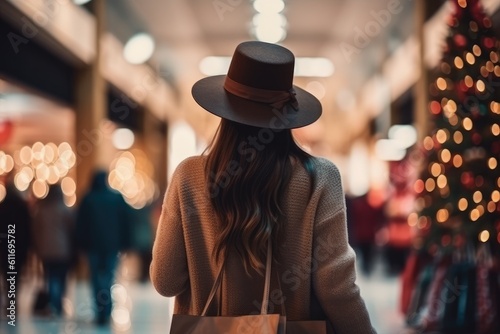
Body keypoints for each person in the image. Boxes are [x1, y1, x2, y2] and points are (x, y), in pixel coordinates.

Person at [150, 41, 376, 334]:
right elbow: (337, 289)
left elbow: (165, 281)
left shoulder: (189, 176)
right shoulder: (321, 178)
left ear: (225, 108)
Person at [76, 170, 131, 326]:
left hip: (92, 246)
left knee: (95, 278)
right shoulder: (116, 198)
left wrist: (80, 245)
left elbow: (81, 225)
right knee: (108, 277)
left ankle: (100, 311)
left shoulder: (88, 199)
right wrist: (126, 243)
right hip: (112, 246)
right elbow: (125, 222)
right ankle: (106, 310)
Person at [31, 184, 75, 316]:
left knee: (50, 277)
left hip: (46, 251)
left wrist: (38, 247)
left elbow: (35, 230)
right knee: (60, 278)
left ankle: (53, 303)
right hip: (63, 251)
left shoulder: (41, 210)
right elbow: (72, 230)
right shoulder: (65, 210)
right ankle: (57, 303)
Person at [0, 173, 31, 315]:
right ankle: (13, 301)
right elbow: (27, 228)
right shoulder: (22, 207)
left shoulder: (3, 207)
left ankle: (10, 301)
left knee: (7, 276)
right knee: (15, 276)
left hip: (5, 246)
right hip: (18, 247)